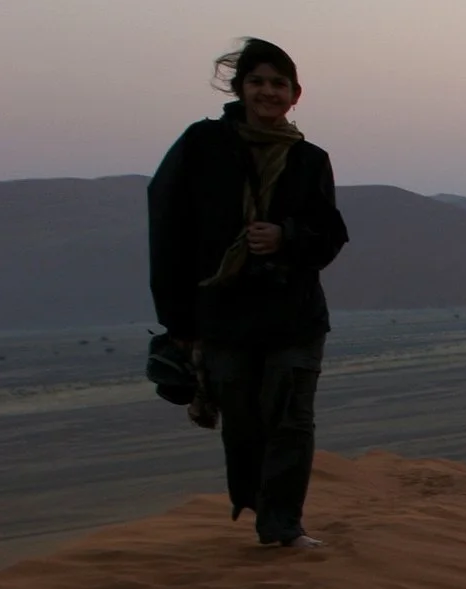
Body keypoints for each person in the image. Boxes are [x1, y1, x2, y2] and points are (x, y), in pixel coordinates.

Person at [148, 38, 348, 549]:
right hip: (223, 313)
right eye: (257, 81)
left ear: (295, 94)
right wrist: (178, 324)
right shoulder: (203, 146)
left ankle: (283, 526)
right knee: (242, 421)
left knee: (291, 419)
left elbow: (330, 235)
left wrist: (287, 237)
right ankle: (260, 506)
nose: (268, 91)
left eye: (278, 83)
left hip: (293, 313)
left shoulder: (309, 160)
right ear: (240, 88)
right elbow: (168, 226)